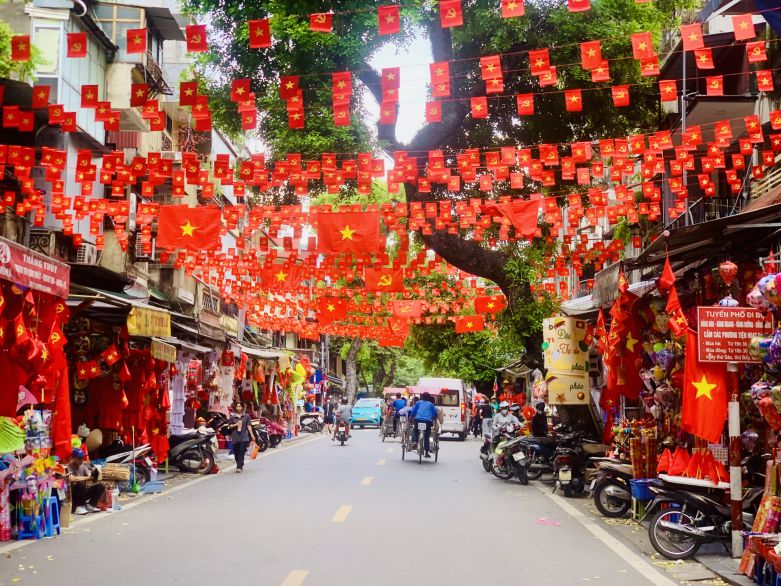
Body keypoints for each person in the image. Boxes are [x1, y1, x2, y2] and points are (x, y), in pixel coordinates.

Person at [68, 448, 104, 515]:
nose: (81, 460)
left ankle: (91, 505)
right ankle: (78, 507)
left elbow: (89, 474)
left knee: (100, 486)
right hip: (73, 494)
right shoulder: (69, 467)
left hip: (82, 492)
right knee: (79, 484)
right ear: (73, 458)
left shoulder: (83, 467)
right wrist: (86, 478)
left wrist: (92, 473)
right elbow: (71, 478)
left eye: (82, 458)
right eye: (79, 458)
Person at [409, 392, 443, 458]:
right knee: (426, 436)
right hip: (427, 422)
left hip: (418, 420)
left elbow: (413, 412)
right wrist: (433, 418)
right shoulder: (431, 405)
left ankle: (415, 442)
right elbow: (434, 414)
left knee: (415, 430)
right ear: (428, 398)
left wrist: (411, 417)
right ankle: (426, 452)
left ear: (422, 397)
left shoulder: (418, 403)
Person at [228, 402, 255, 473]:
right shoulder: (232, 417)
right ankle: (240, 463)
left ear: (242, 407)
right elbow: (229, 426)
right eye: (237, 406)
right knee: (236, 452)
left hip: (244, 436)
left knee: (241, 451)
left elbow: (249, 426)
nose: (238, 408)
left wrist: (252, 435)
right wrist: (235, 425)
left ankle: (239, 467)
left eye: (239, 406)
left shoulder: (246, 416)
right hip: (235, 436)